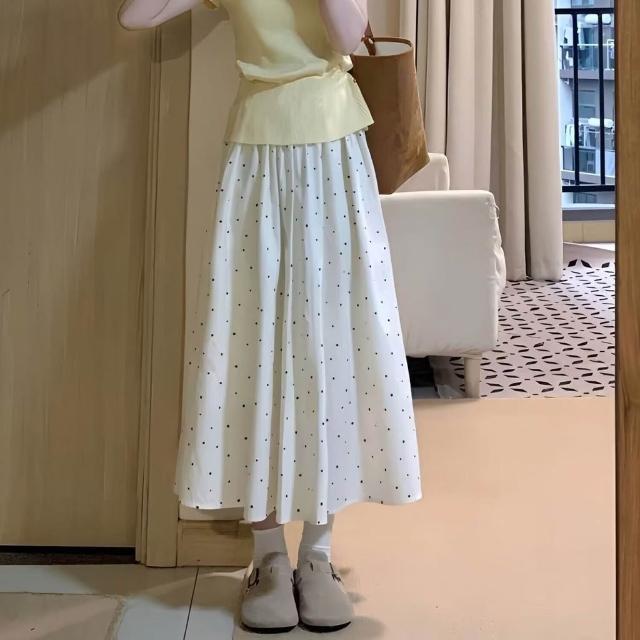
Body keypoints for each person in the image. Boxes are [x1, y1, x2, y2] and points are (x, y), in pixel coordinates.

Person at [117, 0, 422, 633]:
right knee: (250, 343)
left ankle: (318, 555)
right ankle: (267, 559)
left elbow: (347, 35)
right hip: (255, 155)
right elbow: (135, 16)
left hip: (334, 150)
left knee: (330, 346)